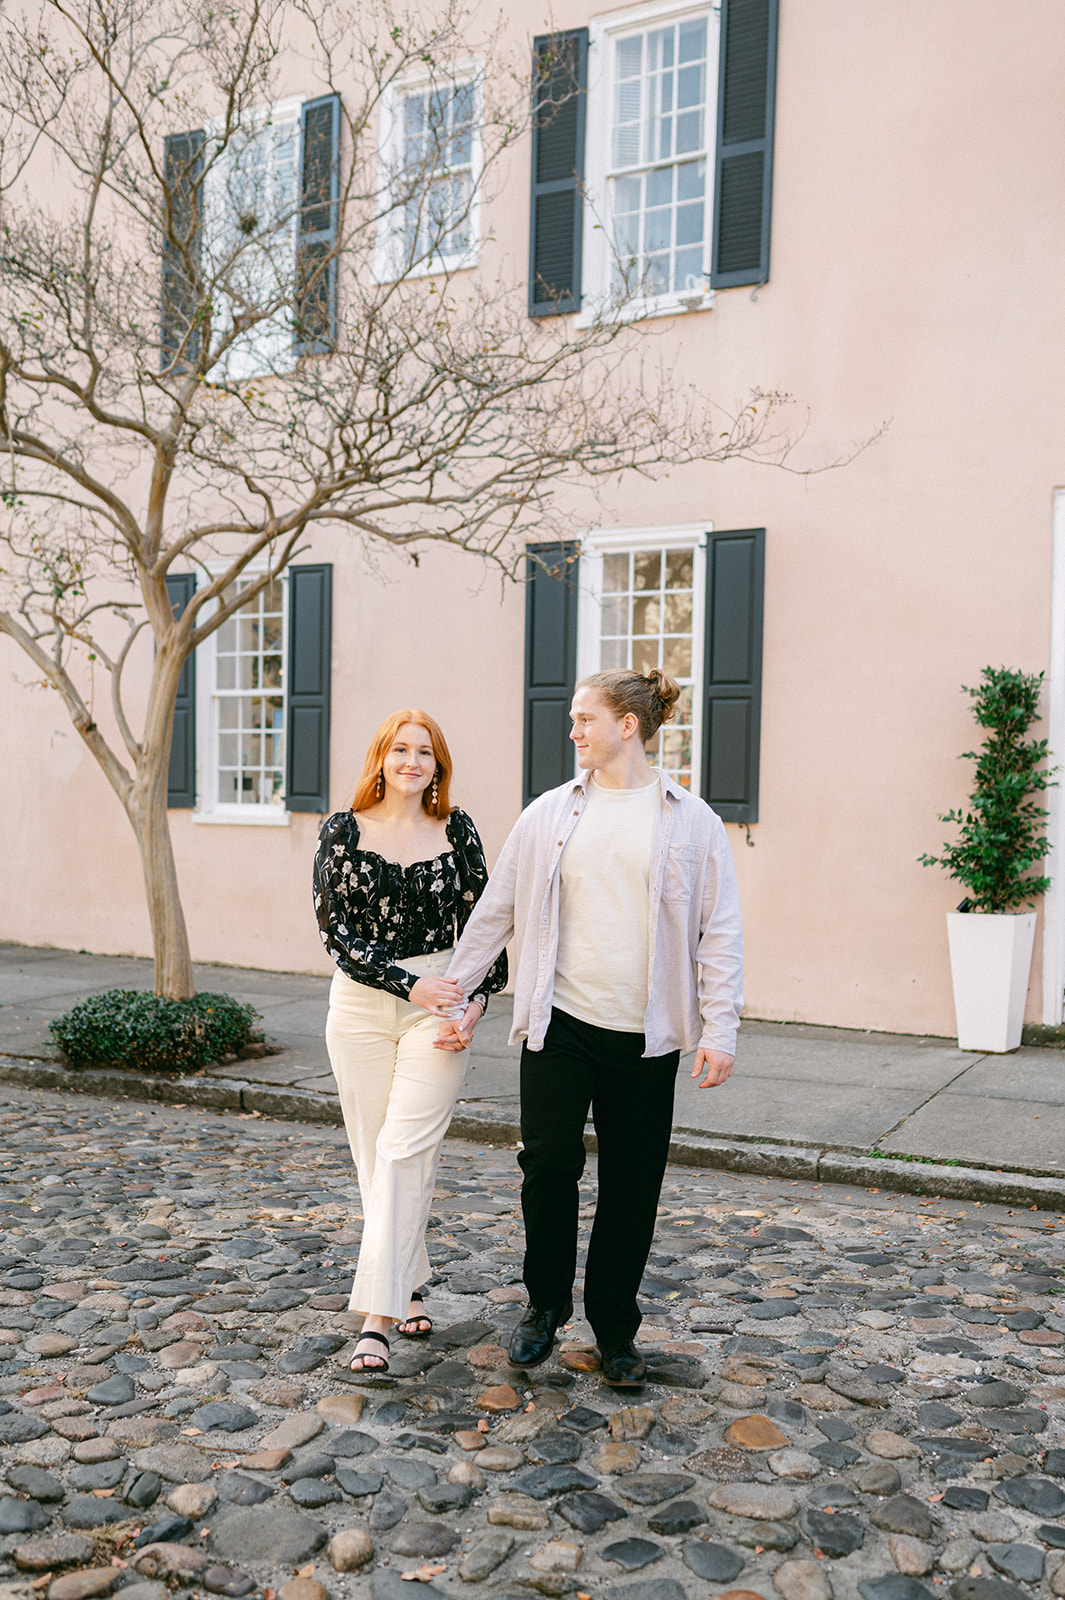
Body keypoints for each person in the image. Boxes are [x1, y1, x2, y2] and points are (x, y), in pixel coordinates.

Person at [435, 668, 743, 1388]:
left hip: (646, 1034)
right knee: (547, 1166)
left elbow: (718, 931)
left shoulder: (691, 821)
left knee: (633, 1183)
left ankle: (613, 1326)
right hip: (559, 1021)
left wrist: (719, 1029)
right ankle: (543, 1306)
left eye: (584, 719)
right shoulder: (548, 813)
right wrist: (457, 995)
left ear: (626, 726)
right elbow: (496, 911)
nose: (572, 731)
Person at [313, 709, 507, 1372]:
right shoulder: (342, 831)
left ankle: (376, 1318)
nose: (411, 761)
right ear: (380, 758)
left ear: (437, 767)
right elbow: (335, 935)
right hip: (362, 1008)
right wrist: (404, 983)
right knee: (378, 1159)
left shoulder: (458, 831)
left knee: (402, 1150)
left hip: (440, 1006)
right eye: (400, 749)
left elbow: (488, 927)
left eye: (424, 752)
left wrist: (476, 1001)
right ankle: (411, 1279)